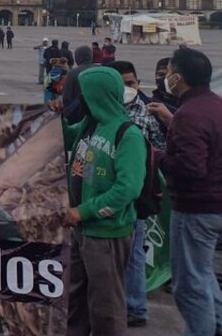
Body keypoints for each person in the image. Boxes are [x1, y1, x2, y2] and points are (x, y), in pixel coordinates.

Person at [64, 66, 146, 336]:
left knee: (106, 306)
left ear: (98, 95)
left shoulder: (127, 134)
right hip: (81, 230)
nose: (80, 100)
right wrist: (47, 118)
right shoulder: (91, 124)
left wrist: (84, 211)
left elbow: (127, 189)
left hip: (106, 233)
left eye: (84, 95)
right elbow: (61, 135)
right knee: (75, 299)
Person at [156, 48, 222, 336]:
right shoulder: (215, 106)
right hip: (215, 205)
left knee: (189, 285)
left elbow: (191, 168)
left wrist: (156, 158)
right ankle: (217, 323)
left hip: (195, 209)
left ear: (179, 78)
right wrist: (173, 122)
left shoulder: (189, 114)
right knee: (204, 273)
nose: (167, 77)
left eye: (169, 72)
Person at [111, 60, 166, 328]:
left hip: (134, 196)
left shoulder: (148, 114)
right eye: (121, 84)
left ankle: (135, 307)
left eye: (131, 83)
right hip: (106, 194)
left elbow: (160, 149)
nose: (127, 89)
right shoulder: (101, 113)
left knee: (133, 255)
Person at [61, 46, 96, 123]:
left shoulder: (72, 73)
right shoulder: (99, 71)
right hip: (97, 113)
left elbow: (66, 97)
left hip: (78, 114)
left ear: (78, 58)